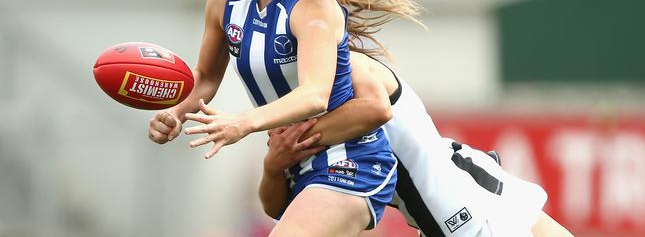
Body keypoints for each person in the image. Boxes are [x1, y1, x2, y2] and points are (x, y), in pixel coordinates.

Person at [147, 0, 422, 237]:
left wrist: (243, 123)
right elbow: (206, 76)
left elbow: (314, 94)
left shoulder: (313, 6)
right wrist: (176, 112)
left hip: (349, 160)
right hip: (292, 162)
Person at [243, 51, 574, 237]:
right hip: (460, 193)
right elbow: (279, 209)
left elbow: (377, 110)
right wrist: (273, 166)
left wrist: (243, 123)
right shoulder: (298, 102)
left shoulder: (351, 71)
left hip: (462, 212)